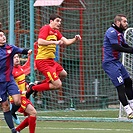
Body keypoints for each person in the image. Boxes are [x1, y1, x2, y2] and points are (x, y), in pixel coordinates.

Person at [26, 14, 81, 98]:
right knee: (58, 85)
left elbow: (66, 42)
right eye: (57, 21)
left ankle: (39, 84)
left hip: (51, 61)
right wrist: (54, 42)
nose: (59, 23)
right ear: (51, 21)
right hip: (42, 61)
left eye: (60, 21)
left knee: (63, 74)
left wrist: (75, 39)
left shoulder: (56, 32)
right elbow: (40, 41)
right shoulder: (46, 28)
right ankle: (33, 88)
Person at [0, 29, 32, 133]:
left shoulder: (10, 48)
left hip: (9, 80)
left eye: (3, 35)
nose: (3, 37)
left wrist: (28, 51)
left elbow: (21, 50)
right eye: (0, 36)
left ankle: (13, 112)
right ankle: (13, 130)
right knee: (5, 106)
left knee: (18, 101)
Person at [102, 14, 133, 119]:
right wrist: (130, 50)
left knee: (128, 81)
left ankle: (132, 105)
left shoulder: (120, 33)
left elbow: (124, 46)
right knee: (120, 86)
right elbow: (116, 47)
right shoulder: (111, 32)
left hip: (117, 62)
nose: (126, 24)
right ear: (118, 22)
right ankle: (129, 112)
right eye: (124, 21)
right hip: (109, 64)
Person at [9, 54, 37, 133]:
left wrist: (27, 85)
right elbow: (10, 87)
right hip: (17, 97)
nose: (17, 59)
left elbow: (22, 81)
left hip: (23, 96)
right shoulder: (11, 72)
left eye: (17, 57)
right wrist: (21, 92)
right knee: (33, 113)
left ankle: (17, 130)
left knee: (31, 115)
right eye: (14, 58)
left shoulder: (20, 68)